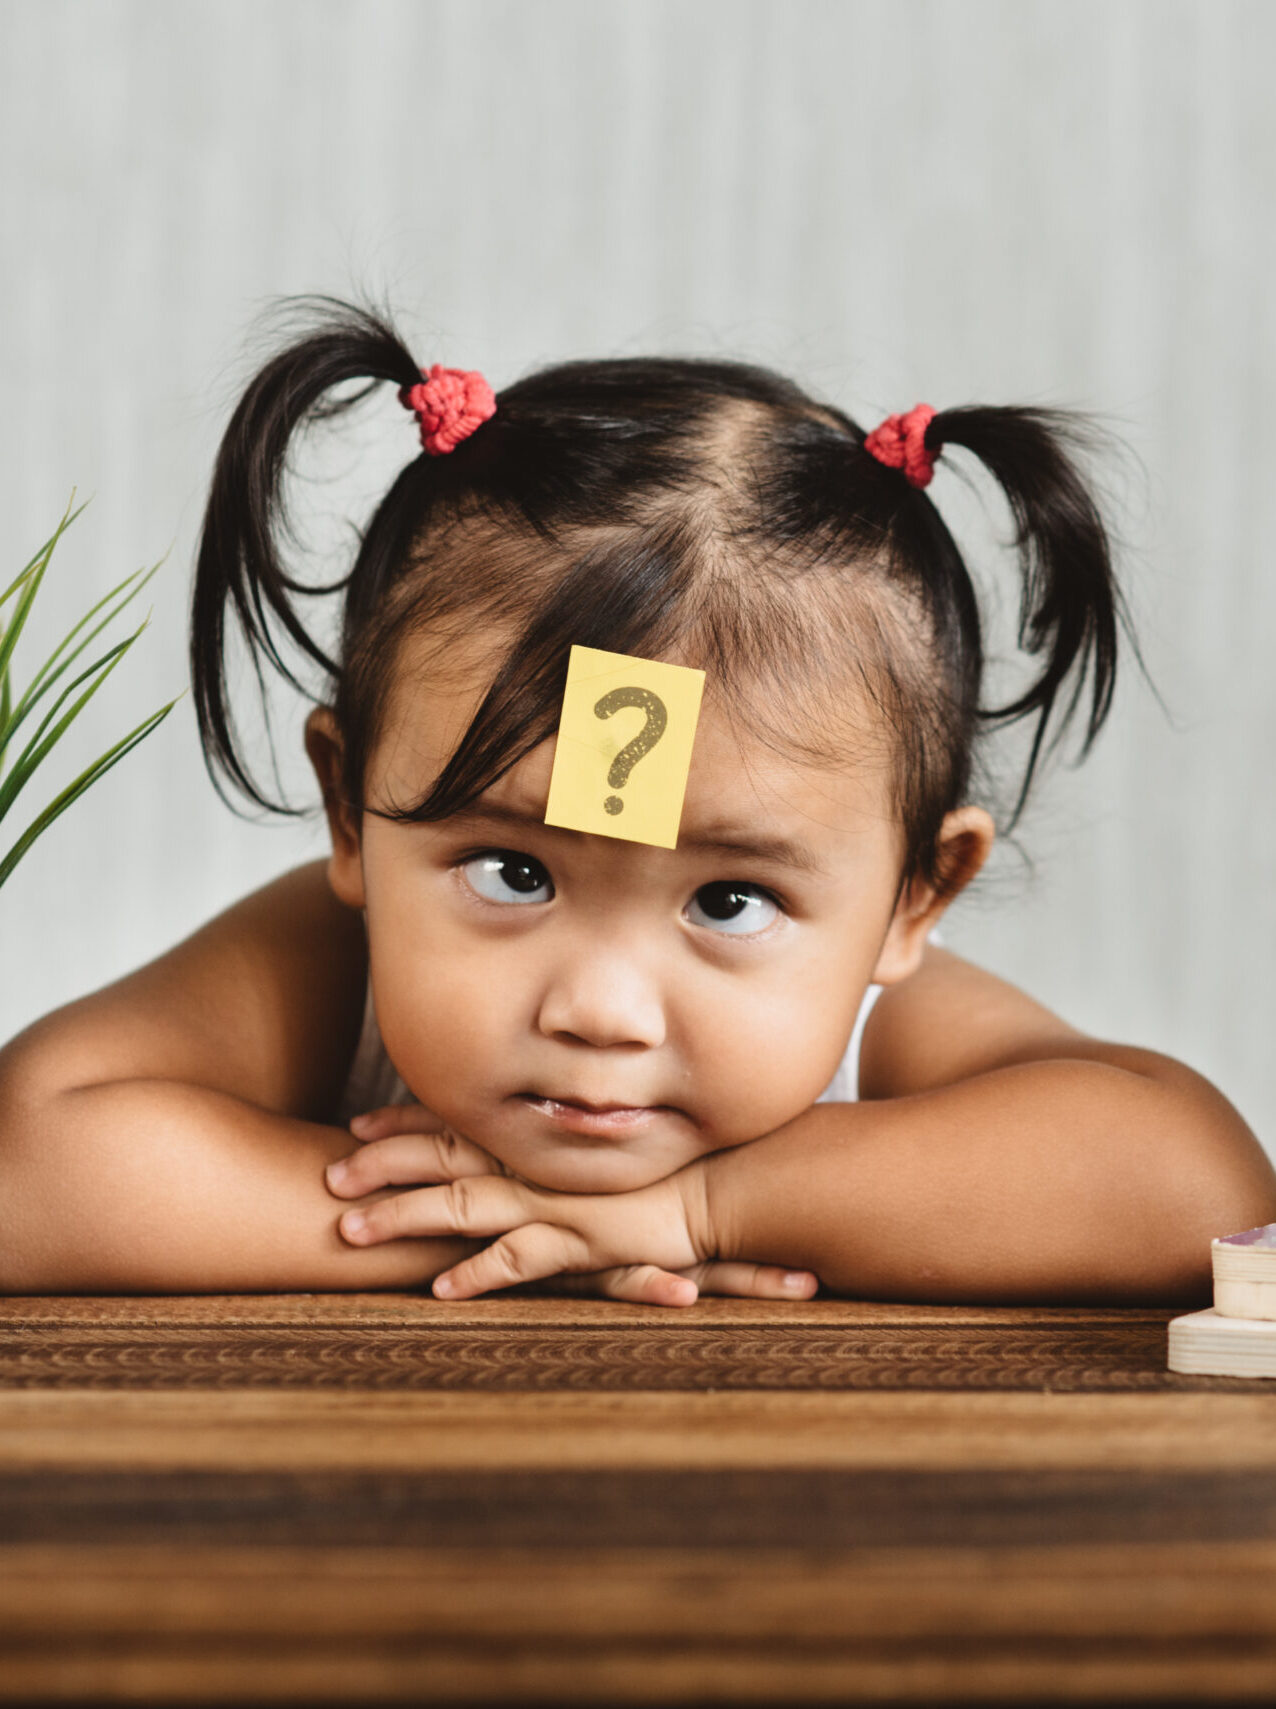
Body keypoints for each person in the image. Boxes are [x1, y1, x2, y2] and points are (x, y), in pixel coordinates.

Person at [2, 299, 1272, 1305]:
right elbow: (29, 1168)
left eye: (729, 898)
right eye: (513, 871)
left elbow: (1193, 1186)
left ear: (910, 897)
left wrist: (699, 1209)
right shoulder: (334, 960)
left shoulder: (868, 1027)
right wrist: (520, 1230)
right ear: (352, 814)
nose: (599, 1008)